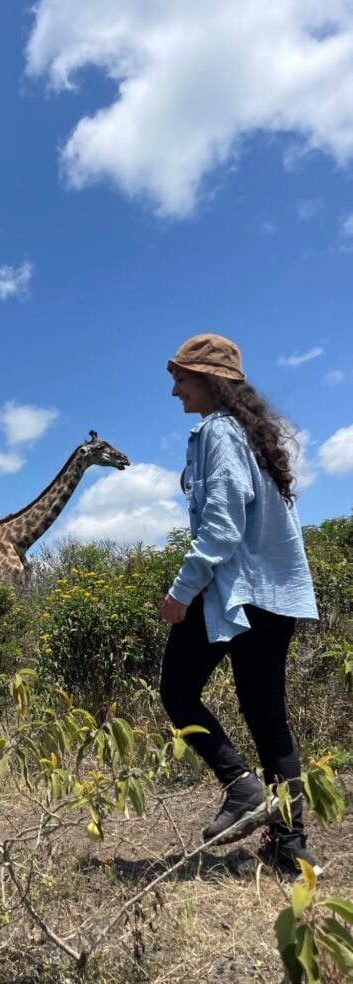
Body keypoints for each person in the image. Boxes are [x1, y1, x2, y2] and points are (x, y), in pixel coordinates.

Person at [159, 333, 320, 878]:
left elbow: (222, 526)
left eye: (183, 376)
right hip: (276, 596)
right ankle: (290, 847)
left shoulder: (220, 434)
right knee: (267, 717)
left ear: (212, 380)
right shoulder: (254, 437)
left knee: (177, 692)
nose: (176, 389)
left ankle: (241, 787)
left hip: (240, 593)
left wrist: (181, 591)